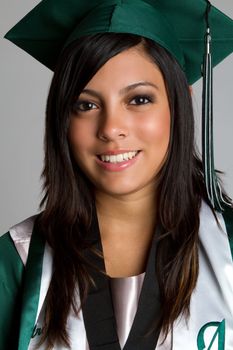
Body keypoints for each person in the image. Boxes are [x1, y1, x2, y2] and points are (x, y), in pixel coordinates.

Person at [1, 1, 233, 349]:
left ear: (180, 102)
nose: (111, 128)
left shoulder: (228, 250)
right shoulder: (16, 263)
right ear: (62, 119)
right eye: (86, 105)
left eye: (139, 100)